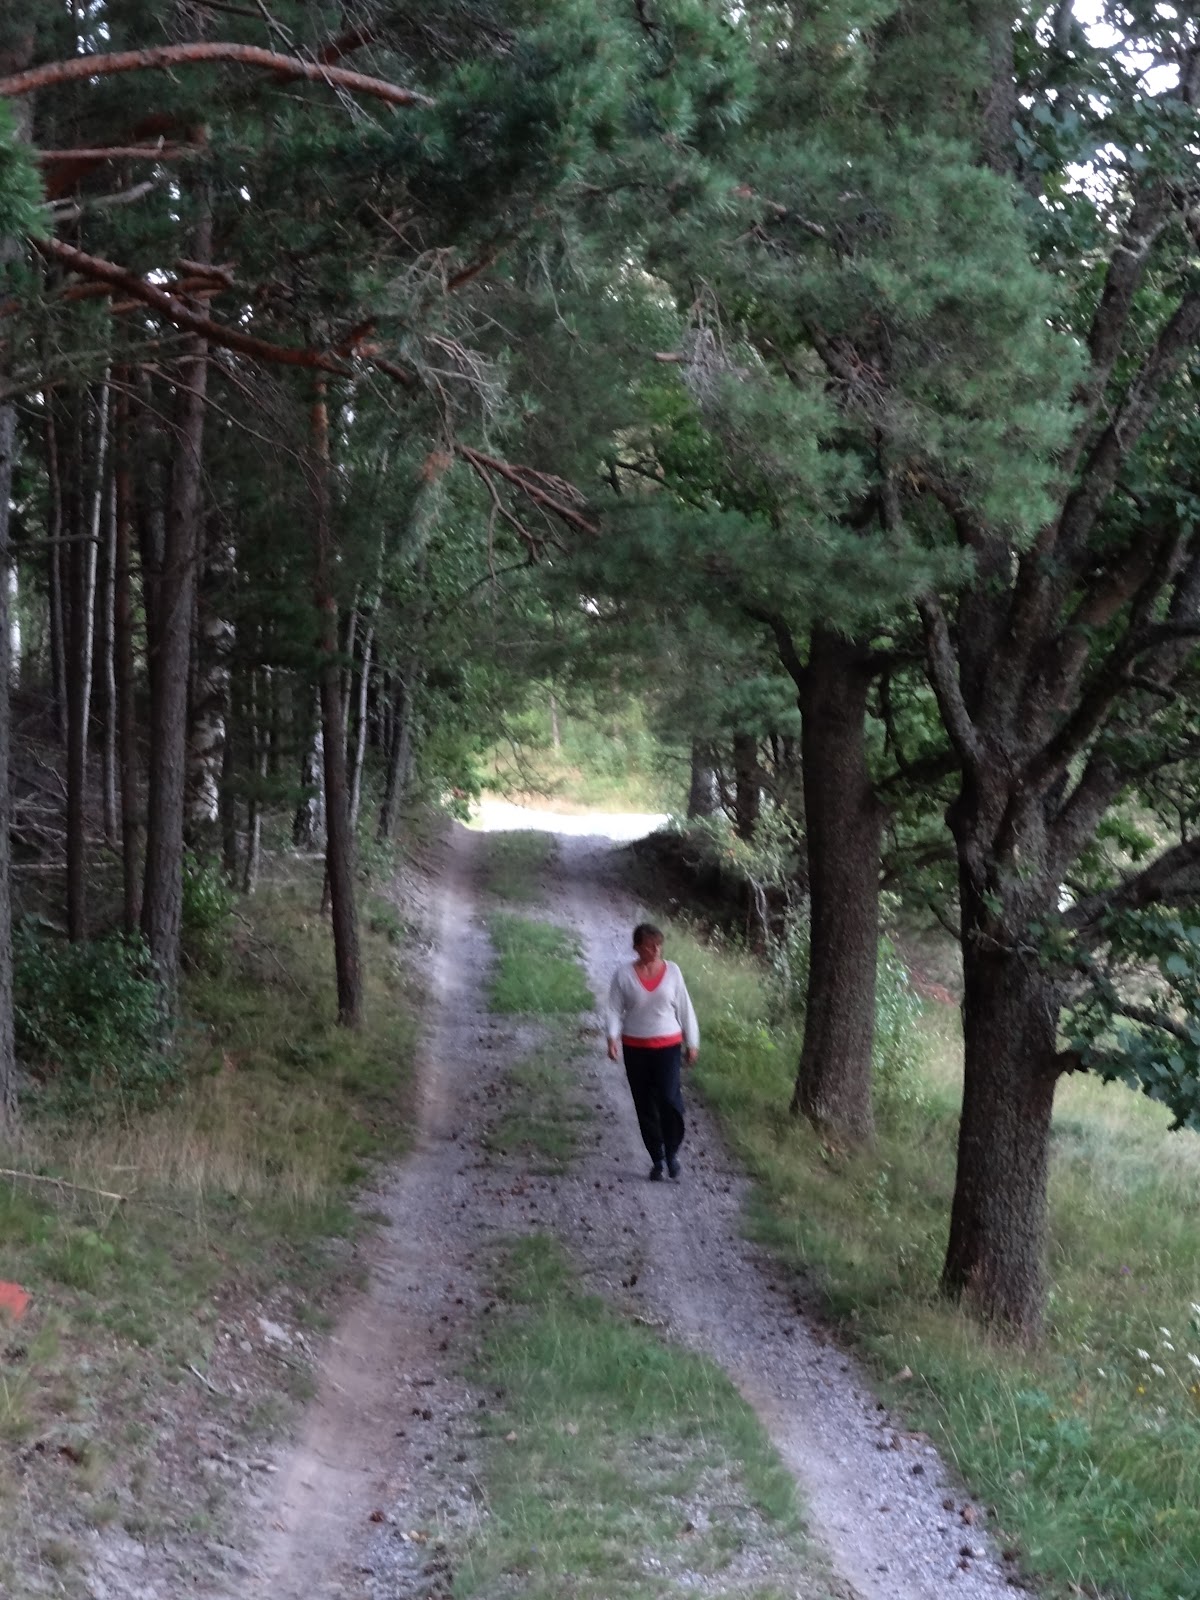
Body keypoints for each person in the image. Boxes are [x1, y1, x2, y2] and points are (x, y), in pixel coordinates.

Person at [606, 923, 699, 1182]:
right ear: (637, 947)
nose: (656, 949)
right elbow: (614, 1009)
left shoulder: (673, 972)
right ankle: (657, 1158)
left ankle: (672, 1153)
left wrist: (692, 1042)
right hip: (635, 1047)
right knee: (644, 1103)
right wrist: (611, 1037)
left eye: (659, 944)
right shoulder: (623, 975)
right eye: (650, 945)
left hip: (668, 1046)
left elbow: (685, 1008)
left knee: (669, 1099)